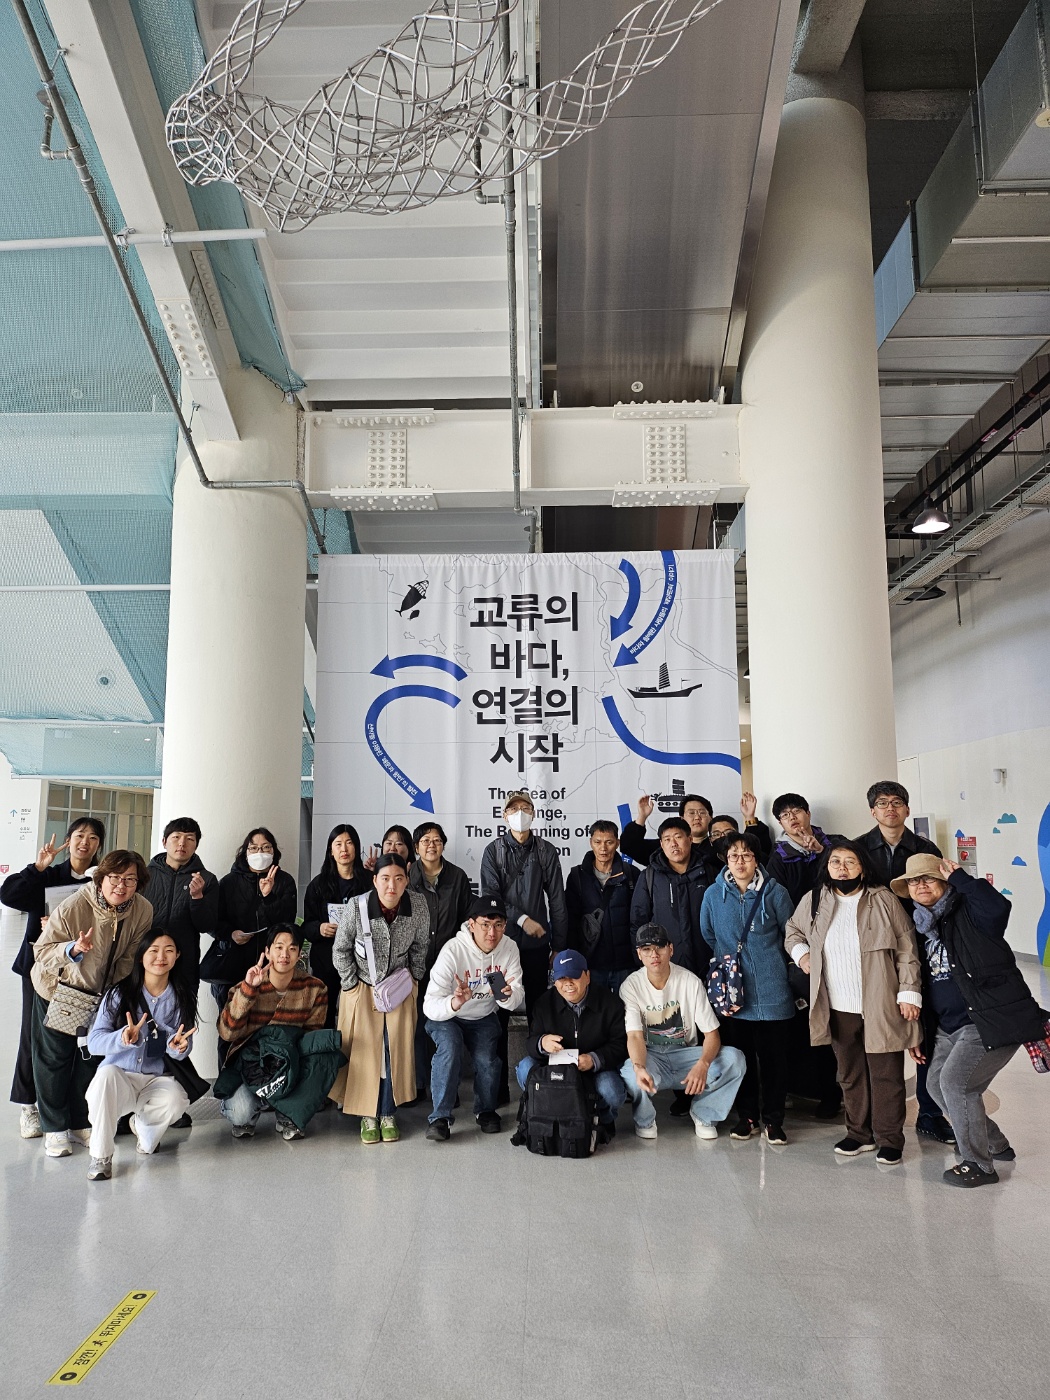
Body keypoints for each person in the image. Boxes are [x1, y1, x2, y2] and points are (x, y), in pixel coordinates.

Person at [896, 855, 1047, 1188]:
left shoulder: (971, 912)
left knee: (956, 1084)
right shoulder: (917, 926)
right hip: (946, 1025)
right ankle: (994, 1143)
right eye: (914, 881)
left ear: (945, 882)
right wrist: (917, 1032)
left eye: (928, 878)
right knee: (935, 1086)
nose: (921, 885)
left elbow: (998, 907)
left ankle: (978, 1164)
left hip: (988, 1020)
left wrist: (962, 879)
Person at [784, 841, 922, 1164]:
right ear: (827, 867)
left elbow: (907, 948)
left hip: (880, 1004)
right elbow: (792, 931)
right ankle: (859, 1134)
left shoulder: (883, 899)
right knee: (850, 1073)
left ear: (863, 867)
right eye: (836, 862)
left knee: (886, 1075)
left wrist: (908, 991)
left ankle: (889, 1138)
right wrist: (802, 955)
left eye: (850, 861)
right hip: (836, 1005)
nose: (842, 868)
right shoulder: (815, 900)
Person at [30, 850, 153, 1158]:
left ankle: (79, 1121)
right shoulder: (74, 905)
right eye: (115, 877)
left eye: (130, 879)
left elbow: (130, 957)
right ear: (101, 878)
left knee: (90, 1056)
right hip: (59, 990)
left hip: (102, 994)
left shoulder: (142, 910)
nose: (121, 885)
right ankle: (54, 1127)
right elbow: (42, 951)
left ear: (138, 883)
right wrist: (72, 949)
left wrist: (110, 994)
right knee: (54, 1059)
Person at [856, 780, 954, 1147]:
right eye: (882, 803)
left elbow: (943, 894)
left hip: (922, 946)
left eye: (897, 802)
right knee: (872, 1033)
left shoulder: (926, 849)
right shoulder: (858, 849)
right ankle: (872, 1116)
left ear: (907, 809)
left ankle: (929, 1114)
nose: (890, 809)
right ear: (872, 811)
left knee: (925, 1030)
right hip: (873, 951)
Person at [2, 817, 104, 1140]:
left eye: (92, 838)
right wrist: (37, 867)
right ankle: (28, 1106)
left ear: (99, 845)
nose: (84, 842)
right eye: (79, 835)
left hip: (82, 971)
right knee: (33, 1037)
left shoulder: (100, 880)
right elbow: (8, 895)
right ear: (69, 840)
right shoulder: (48, 875)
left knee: (76, 1041)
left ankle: (72, 1112)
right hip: (42, 968)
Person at [700, 831, 796, 1144]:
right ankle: (748, 1117)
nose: (740, 862)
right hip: (732, 991)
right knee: (739, 1060)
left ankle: (774, 1120)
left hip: (772, 989)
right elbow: (709, 934)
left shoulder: (776, 893)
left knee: (774, 1062)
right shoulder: (713, 895)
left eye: (746, 855)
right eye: (734, 856)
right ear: (725, 860)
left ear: (756, 860)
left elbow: (791, 934)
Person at [330, 853, 430, 1143]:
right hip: (362, 986)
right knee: (365, 1052)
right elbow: (340, 950)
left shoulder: (418, 905)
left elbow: (421, 946)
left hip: (399, 988)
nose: (391, 886)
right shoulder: (357, 906)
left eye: (398, 878)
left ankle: (387, 1112)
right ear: (374, 880)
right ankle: (368, 1115)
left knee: (392, 1050)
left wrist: (414, 980)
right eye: (385, 878)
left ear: (407, 880)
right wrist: (351, 985)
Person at [84, 930, 197, 1180]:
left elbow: (182, 1050)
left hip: (155, 1079)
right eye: (153, 951)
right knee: (105, 1076)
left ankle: (142, 1127)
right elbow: (94, 1043)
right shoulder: (119, 993)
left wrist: (178, 1047)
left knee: (176, 1100)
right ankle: (101, 1156)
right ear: (141, 956)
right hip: (120, 1078)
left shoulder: (181, 997)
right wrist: (122, 1038)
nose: (161, 957)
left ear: (177, 956)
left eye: (168, 950)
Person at [214, 924, 340, 1142]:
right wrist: (248, 990)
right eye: (279, 947)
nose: (285, 954)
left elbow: (310, 1039)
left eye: (292, 948)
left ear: (299, 954)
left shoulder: (315, 988)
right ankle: (260, 1104)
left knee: (323, 1054)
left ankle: (285, 1110)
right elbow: (228, 1033)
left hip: (289, 1067)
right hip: (251, 1067)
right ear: (267, 952)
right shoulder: (245, 986)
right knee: (240, 1115)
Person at [620, 923, 745, 1139]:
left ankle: (704, 1114)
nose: (654, 955)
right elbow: (634, 1035)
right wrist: (639, 1067)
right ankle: (645, 1120)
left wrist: (703, 1064)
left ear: (671, 949)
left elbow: (712, 1034)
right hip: (652, 1057)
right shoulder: (631, 986)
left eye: (660, 947)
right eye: (647, 949)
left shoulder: (690, 981)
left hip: (685, 1055)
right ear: (639, 954)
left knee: (735, 1059)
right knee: (632, 1074)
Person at [422, 895, 523, 1140]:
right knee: (450, 1048)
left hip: (483, 1015)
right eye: (485, 925)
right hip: (448, 1016)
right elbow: (429, 1005)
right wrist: (455, 1002)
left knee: (488, 1059)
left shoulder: (509, 948)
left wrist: (506, 996)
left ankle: (486, 1111)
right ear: (471, 925)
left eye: (498, 925)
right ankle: (440, 1118)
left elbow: (517, 995)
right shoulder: (452, 951)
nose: (492, 933)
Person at [517, 948, 628, 1138]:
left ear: (587, 976)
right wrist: (542, 1043)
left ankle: (603, 1119)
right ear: (554, 981)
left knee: (612, 1091)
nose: (568, 983)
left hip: (594, 1070)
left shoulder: (610, 1003)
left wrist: (594, 1059)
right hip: (555, 1069)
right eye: (561, 978)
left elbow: (620, 1044)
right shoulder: (544, 1003)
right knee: (525, 1067)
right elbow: (530, 1042)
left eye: (574, 976)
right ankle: (552, 1111)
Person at [206, 828, 297, 1050]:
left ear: (274, 852)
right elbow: (213, 922)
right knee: (230, 1031)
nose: (260, 852)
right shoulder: (228, 882)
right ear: (245, 852)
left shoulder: (284, 881)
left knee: (266, 1031)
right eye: (254, 848)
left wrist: (268, 897)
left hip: (269, 969)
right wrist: (231, 934)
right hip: (231, 968)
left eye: (266, 847)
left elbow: (288, 924)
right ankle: (227, 1072)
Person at [480, 791, 567, 1017]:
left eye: (525, 809)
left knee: (538, 1007)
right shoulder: (493, 851)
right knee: (499, 1005)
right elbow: (490, 899)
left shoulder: (546, 850)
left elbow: (557, 900)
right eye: (513, 809)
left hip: (536, 945)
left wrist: (558, 945)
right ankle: (497, 1044)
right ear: (504, 815)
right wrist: (521, 919)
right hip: (500, 943)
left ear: (534, 814)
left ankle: (538, 1042)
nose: (520, 814)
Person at [302, 824, 369, 1029]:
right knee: (325, 1015)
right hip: (326, 960)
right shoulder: (318, 885)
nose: (344, 849)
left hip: (361, 962)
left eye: (349, 843)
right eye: (338, 844)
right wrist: (319, 928)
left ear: (356, 847)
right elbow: (306, 926)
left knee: (359, 1017)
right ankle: (328, 1049)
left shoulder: (369, 882)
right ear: (331, 850)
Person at [628, 817, 712, 974]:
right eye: (667, 839)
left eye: (678, 837)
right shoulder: (649, 876)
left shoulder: (709, 872)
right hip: (664, 968)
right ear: (661, 844)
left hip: (707, 966)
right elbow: (638, 923)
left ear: (690, 839)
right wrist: (643, 964)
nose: (673, 844)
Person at [564, 821, 638, 992]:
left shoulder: (631, 874)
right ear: (591, 843)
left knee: (626, 1007)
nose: (603, 848)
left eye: (609, 842)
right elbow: (571, 921)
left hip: (626, 964)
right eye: (598, 842)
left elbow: (640, 917)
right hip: (591, 963)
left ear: (617, 843)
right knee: (594, 1007)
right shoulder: (577, 876)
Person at [145, 818, 219, 979]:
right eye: (176, 837)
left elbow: (206, 925)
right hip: (146, 956)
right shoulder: (145, 875)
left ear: (196, 846)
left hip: (185, 959)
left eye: (190, 839)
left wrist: (197, 897)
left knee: (183, 995)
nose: (182, 843)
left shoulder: (207, 879)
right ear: (164, 842)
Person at [620, 792, 721, 879]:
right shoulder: (664, 848)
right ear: (682, 818)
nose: (697, 817)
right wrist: (642, 817)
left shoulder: (719, 848)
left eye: (702, 813)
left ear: (711, 818)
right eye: (691, 813)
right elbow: (628, 845)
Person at [766, 793, 836, 905]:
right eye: (785, 815)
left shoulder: (836, 842)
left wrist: (822, 852)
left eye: (796, 810)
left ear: (808, 814)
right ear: (781, 823)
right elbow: (777, 903)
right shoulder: (778, 860)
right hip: (801, 915)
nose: (792, 817)